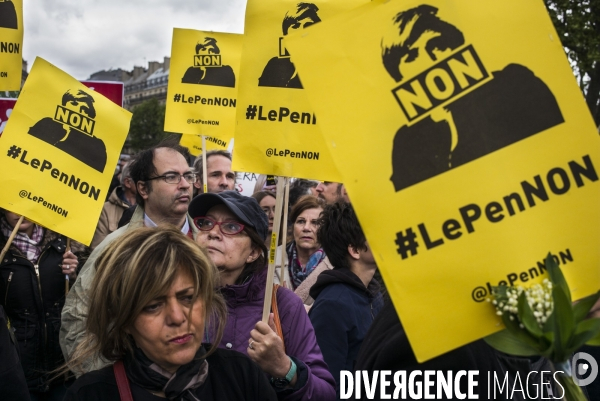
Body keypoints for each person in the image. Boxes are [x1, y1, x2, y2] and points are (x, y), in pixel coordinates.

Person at [63, 227, 277, 400]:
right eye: (152, 306)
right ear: (124, 319)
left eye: (188, 297)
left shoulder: (242, 376)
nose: (177, 317)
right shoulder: (90, 394)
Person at [60, 137, 199, 374]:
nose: (185, 184)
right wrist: (110, 384)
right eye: (171, 177)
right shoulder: (115, 250)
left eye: (188, 175)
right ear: (143, 188)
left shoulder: (211, 245)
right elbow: (77, 322)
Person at [189, 190, 336, 399]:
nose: (213, 232)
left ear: (253, 253)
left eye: (231, 227)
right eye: (206, 223)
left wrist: (285, 368)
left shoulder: (283, 304)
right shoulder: (179, 297)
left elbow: (326, 394)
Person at [0, 209, 83, 400]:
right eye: (12, 206)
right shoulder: (3, 251)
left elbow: (83, 298)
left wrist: (74, 274)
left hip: (62, 364)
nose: (19, 212)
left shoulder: (63, 244)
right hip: (20, 368)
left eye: (24, 204)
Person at [308, 202, 383, 396]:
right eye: (375, 233)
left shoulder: (374, 294)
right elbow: (328, 383)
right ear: (355, 250)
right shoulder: (333, 305)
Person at [275, 196, 332, 308]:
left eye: (315, 223)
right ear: (293, 226)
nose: (306, 228)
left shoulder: (336, 267)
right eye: (301, 221)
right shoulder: (270, 260)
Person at [90, 160, 137, 249]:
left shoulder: (150, 209)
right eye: (141, 179)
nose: (146, 183)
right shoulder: (105, 210)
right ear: (127, 182)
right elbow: (98, 249)